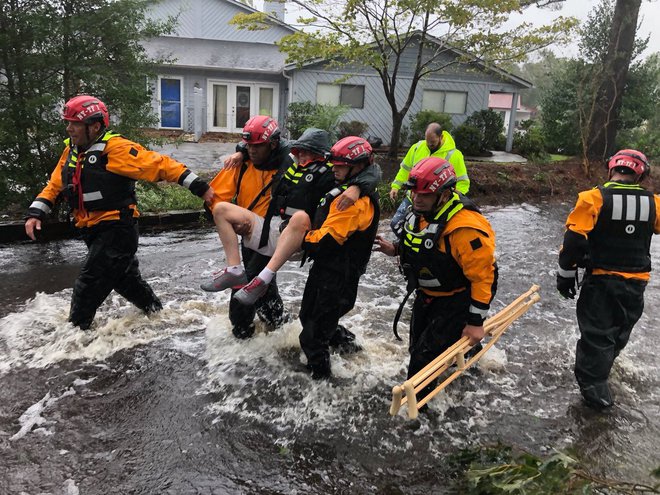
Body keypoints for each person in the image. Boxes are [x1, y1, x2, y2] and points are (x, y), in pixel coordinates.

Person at [24, 94, 214, 330]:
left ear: (94, 127)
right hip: (91, 230)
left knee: (88, 284)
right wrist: (36, 213)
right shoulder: (71, 152)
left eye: (74, 123)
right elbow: (55, 185)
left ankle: (74, 338)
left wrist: (201, 188)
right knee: (126, 282)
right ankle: (161, 318)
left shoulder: (116, 149)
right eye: (68, 122)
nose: (69, 128)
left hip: (116, 229)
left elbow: (161, 165)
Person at [202, 119, 378, 339]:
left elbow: (368, 168)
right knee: (257, 287)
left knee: (253, 290)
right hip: (258, 229)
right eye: (249, 145)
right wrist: (240, 152)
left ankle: (247, 333)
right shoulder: (251, 160)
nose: (252, 150)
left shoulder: (322, 169)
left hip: (289, 235)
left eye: (257, 145)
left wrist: (358, 186)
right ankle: (275, 327)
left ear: (273, 144)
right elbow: (217, 198)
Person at [236, 136, 381, 379]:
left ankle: (323, 385)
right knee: (310, 319)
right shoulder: (347, 185)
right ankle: (352, 350)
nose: (335, 169)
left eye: (341, 166)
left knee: (312, 336)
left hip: (339, 276)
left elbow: (326, 241)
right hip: (327, 271)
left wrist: (296, 237)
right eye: (334, 164)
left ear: (357, 166)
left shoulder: (354, 203)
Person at [375, 156, 497, 400]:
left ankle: (419, 409)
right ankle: (468, 359)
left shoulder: (465, 228)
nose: (417, 199)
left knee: (421, 361)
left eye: (425, 195)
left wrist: (475, 322)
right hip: (428, 296)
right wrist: (397, 249)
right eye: (414, 193)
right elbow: (426, 246)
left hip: (456, 300)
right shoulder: (421, 211)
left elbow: (484, 278)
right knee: (416, 346)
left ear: (444, 193)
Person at [557, 149, 660, 410]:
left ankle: (597, 401)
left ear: (611, 168)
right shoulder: (654, 203)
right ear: (642, 174)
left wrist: (566, 272)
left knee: (596, 336)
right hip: (636, 284)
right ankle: (600, 378)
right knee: (617, 334)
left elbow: (574, 239)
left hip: (602, 281)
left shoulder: (593, 198)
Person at [389, 123, 469, 233]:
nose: (429, 145)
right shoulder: (417, 148)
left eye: (432, 143)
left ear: (441, 137)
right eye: (427, 141)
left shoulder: (454, 155)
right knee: (396, 224)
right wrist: (395, 186)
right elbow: (405, 169)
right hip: (413, 197)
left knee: (428, 233)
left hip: (435, 203)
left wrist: (451, 199)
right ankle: (405, 247)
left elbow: (462, 182)